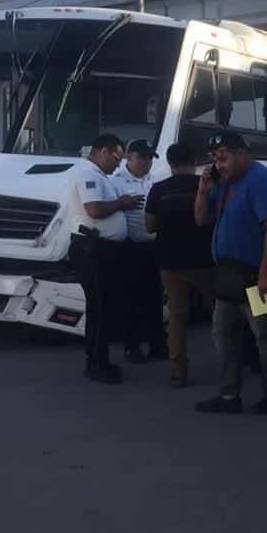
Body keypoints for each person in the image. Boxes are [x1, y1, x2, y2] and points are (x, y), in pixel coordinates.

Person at [193, 131, 267, 415]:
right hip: (229, 277)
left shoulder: (261, 181)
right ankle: (227, 396)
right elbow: (200, 218)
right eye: (215, 159)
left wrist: (265, 273)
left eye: (223, 158)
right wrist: (202, 190)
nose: (219, 165)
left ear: (242, 154)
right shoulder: (225, 183)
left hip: (258, 277)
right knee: (223, 333)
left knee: (266, 338)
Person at [69, 134, 139, 384]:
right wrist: (120, 204)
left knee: (105, 307)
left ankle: (101, 359)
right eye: (117, 158)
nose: (118, 164)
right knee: (99, 307)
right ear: (104, 151)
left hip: (102, 250)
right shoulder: (89, 175)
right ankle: (96, 363)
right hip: (92, 249)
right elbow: (95, 210)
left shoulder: (99, 176)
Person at [143, 143, 214, 388]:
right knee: (221, 314)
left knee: (176, 317)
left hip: (170, 262)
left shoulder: (159, 190)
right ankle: (231, 362)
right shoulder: (206, 186)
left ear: (170, 163)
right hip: (206, 261)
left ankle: (178, 371)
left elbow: (150, 226)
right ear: (194, 161)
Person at [113, 139, 167, 365]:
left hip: (153, 246)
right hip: (129, 247)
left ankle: (157, 344)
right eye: (142, 157)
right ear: (129, 157)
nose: (146, 162)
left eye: (149, 158)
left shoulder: (153, 181)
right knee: (131, 300)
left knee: (155, 298)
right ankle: (132, 346)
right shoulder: (114, 182)